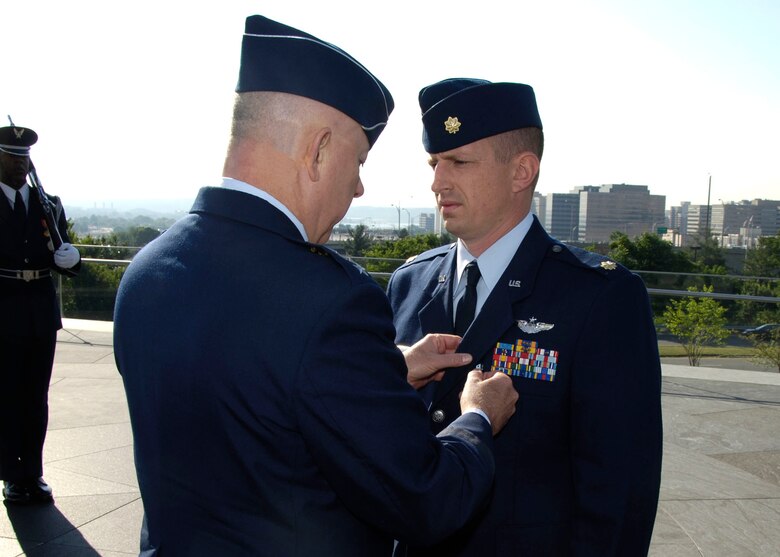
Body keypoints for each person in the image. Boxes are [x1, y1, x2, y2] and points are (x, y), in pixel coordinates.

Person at [113, 16, 518, 556]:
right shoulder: (330, 302)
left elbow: (248, 383)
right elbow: (426, 498)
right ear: (319, 150)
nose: (358, 186)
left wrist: (388, 366)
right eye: (357, 161)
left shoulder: (148, 270)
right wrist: (477, 416)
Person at [387, 78, 663, 556]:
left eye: (460, 162)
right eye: (434, 164)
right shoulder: (409, 283)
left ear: (522, 171)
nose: (437, 183)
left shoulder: (600, 297)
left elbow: (618, 493)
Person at [0, 124, 81, 504]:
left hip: (39, 312)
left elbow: (59, 250)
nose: (21, 163)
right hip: (3, 309)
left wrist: (69, 261)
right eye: (13, 157)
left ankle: (32, 472)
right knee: (7, 394)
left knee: (35, 396)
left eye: (25, 157)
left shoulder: (48, 203)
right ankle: (11, 475)